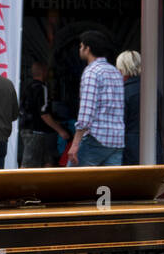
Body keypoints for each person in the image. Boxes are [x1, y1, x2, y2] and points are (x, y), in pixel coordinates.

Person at [65, 32, 125, 167]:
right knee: (108, 184)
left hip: (96, 137)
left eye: (81, 46)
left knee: (71, 182)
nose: (80, 49)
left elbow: (86, 112)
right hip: (116, 139)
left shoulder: (92, 72)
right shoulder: (115, 71)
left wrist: (75, 144)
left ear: (88, 49)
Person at [19, 62, 69, 168]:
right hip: (37, 132)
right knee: (29, 164)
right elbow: (44, 114)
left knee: (45, 160)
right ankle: (24, 184)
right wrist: (61, 130)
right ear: (43, 72)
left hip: (27, 129)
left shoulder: (27, 88)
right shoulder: (42, 88)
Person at [116, 50, 141, 167]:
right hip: (154, 144)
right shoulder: (153, 88)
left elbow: (120, 123)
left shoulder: (123, 92)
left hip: (129, 148)